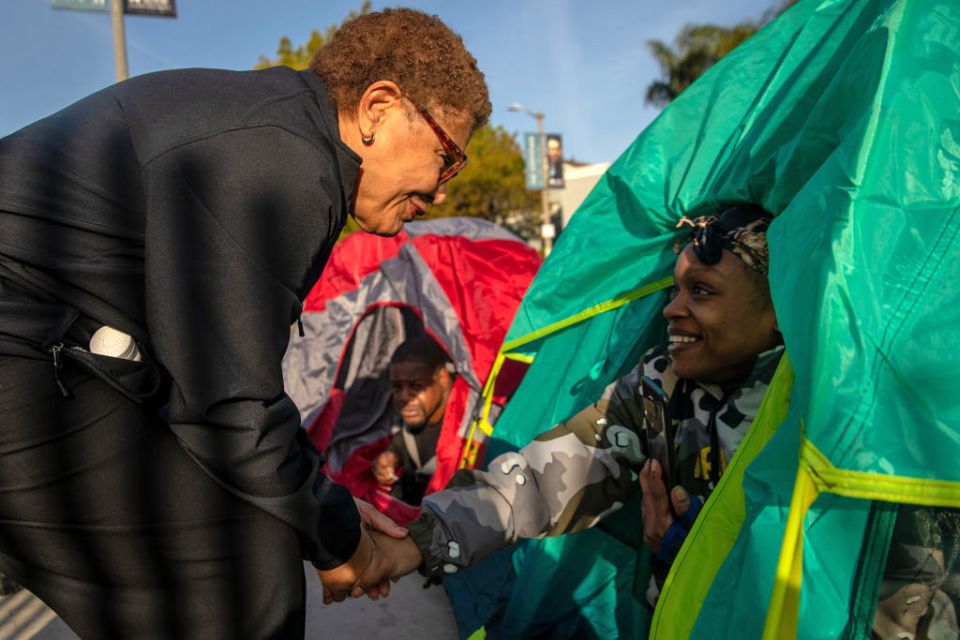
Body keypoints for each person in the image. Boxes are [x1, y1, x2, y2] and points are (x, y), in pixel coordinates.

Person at [0, 8, 489, 638]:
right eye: (447, 158)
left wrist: (324, 508)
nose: (443, 189)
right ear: (378, 109)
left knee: (252, 542)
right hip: (26, 350)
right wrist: (340, 540)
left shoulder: (280, 135)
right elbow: (229, 403)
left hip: (52, 342)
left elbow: (220, 382)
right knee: (235, 583)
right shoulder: (281, 163)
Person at [346, 205, 786, 601]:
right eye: (675, 291)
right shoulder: (659, 386)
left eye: (702, 291)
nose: (673, 310)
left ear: (779, 306)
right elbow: (543, 480)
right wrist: (417, 542)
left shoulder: (818, 405)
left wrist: (697, 550)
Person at [373, 336, 456, 506]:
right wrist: (388, 458)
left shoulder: (466, 431)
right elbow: (401, 443)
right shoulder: (410, 429)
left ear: (443, 379)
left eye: (417, 386)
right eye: (397, 387)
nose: (404, 396)